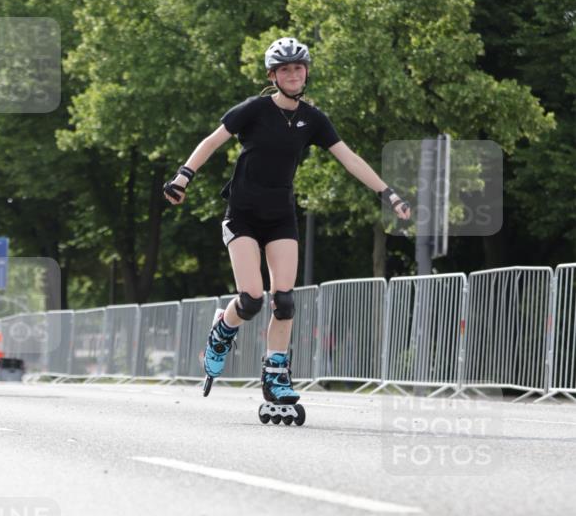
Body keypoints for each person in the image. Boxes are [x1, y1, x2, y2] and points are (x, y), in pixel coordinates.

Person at [163, 37, 410, 404]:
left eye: (298, 68)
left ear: (306, 72)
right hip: (243, 216)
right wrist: (183, 176)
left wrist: (388, 193)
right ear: (273, 76)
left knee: (285, 300)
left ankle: (276, 376)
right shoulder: (254, 109)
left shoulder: (313, 119)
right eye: (284, 69)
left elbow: (350, 158)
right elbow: (212, 141)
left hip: (281, 218)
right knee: (251, 299)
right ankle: (222, 331)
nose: (293, 75)